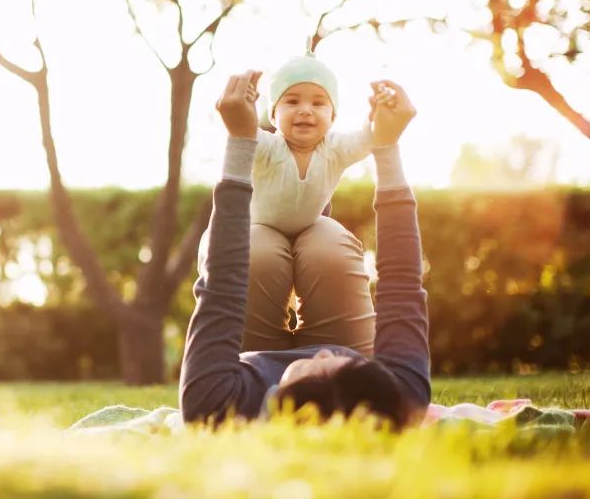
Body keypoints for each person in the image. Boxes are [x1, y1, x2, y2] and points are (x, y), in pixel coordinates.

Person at [179, 70, 430, 428]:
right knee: (325, 241)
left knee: (259, 249)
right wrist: (387, 147)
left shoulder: (215, 405)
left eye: (331, 367)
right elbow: (403, 284)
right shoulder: (398, 398)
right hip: (327, 272)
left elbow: (220, 287)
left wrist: (239, 142)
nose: (326, 352)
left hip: (246, 345)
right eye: (347, 365)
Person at [243, 53, 381, 355]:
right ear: (274, 113)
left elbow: (366, 140)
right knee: (260, 255)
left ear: (333, 115)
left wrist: (375, 118)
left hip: (309, 233)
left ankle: (330, 353)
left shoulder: (334, 149)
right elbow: (243, 135)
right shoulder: (268, 148)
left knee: (327, 247)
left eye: (318, 103)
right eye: (292, 102)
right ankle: (261, 352)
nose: (305, 110)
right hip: (260, 230)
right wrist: (244, 109)